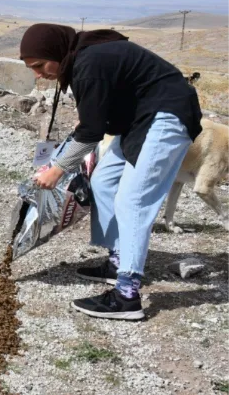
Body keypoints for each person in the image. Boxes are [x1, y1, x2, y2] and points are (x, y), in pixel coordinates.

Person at [20, 23, 203, 320]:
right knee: (104, 181)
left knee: (133, 200)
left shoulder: (89, 63)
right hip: (139, 119)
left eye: (40, 66)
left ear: (55, 52)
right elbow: (93, 123)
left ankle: (127, 296)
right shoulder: (84, 58)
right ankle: (118, 261)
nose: (38, 75)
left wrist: (57, 169)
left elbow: (91, 132)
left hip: (167, 115)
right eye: (32, 69)